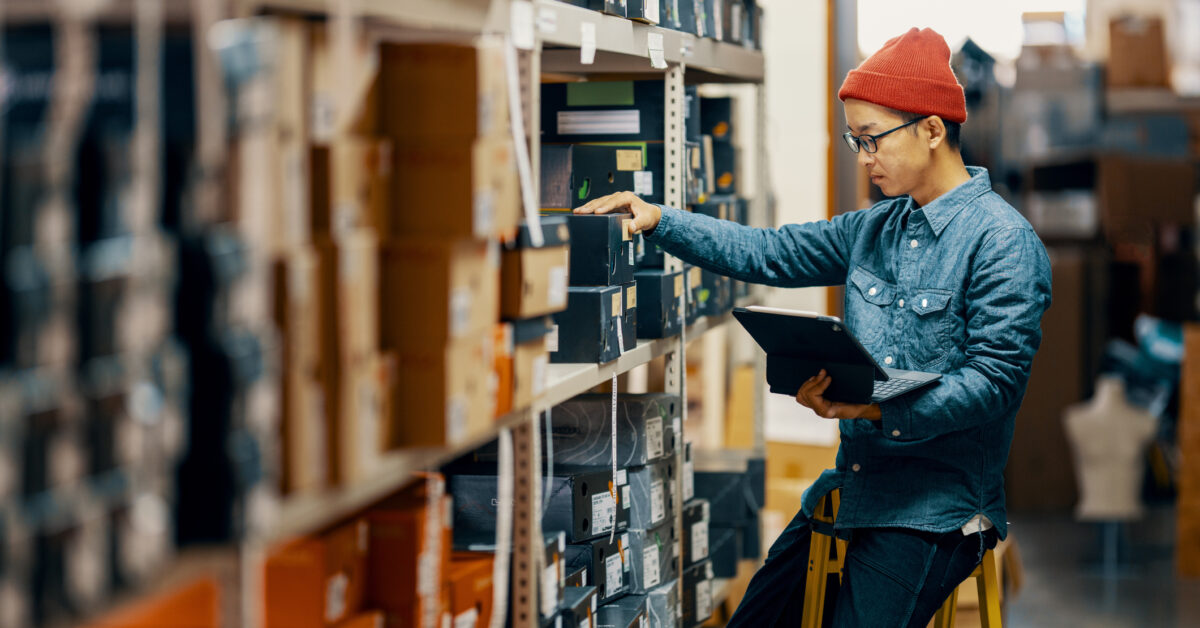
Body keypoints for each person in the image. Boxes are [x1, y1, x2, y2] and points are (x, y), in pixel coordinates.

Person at [573, 27, 1052, 627]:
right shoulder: (873, 229)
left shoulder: (1003, 243)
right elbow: (767, 252)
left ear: (932, 130)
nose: (864, 157)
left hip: (936, 507)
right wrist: (659, 220)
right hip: (857, 485)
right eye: (856, 140)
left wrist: (875, 407)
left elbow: (994, 383)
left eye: (873, 139)